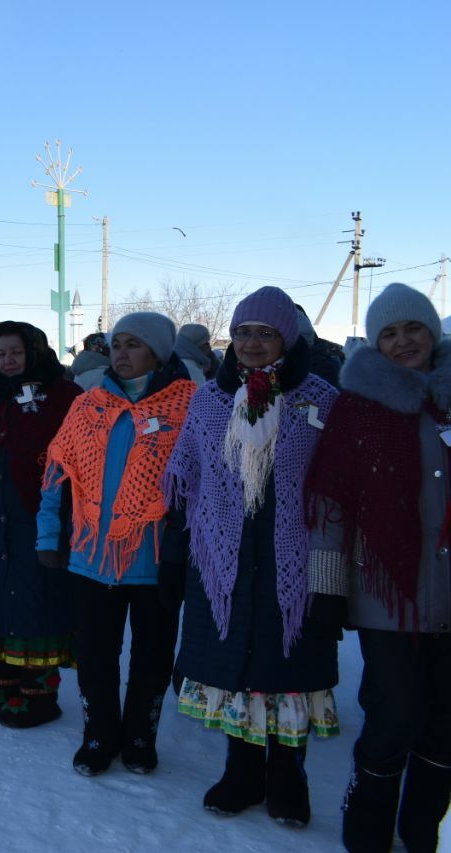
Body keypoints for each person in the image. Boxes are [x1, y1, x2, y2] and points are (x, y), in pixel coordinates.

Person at [165, 287, 341, 828]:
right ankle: (241, 771)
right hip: (226, 559)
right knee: (237, 666)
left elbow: (336, 487)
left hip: (294, 557)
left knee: (286, 668)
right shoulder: (209, 399)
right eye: (243, 332)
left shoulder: (319, 398)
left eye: (264, 332)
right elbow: (187, 474)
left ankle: (288, 776)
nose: (252, 342)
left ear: (287, 337)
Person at [305, 283, 451, 852]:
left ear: (432, 332)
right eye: (388, 333)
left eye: (412, 328)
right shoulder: (357, 409)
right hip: (385, 594)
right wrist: (326, 590)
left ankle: (421, 827)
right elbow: (332, 509)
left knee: (445, 723)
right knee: (394, 717)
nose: (403, 341)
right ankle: (366, 823)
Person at [38, 311, 195, 776]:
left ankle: (140, 737)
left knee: (153, 657)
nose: (122, 353)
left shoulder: (189, 406)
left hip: (156, 559)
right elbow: (55, 476)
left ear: (159, 352)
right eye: (117, 344)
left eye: (134, 344)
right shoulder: (89, 403)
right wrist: (49, 536)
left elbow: (202, 487)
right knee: (94, 656)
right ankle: (99, 734)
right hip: (91, 558)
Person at [0, 321, 82, 727]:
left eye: (17, 353)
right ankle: (2, 677)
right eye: (2, 353)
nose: (8, 361)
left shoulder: (64, 397)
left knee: (35, 598)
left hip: (38, 517)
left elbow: (80, 456)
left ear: (35, 353)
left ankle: (39, 685)